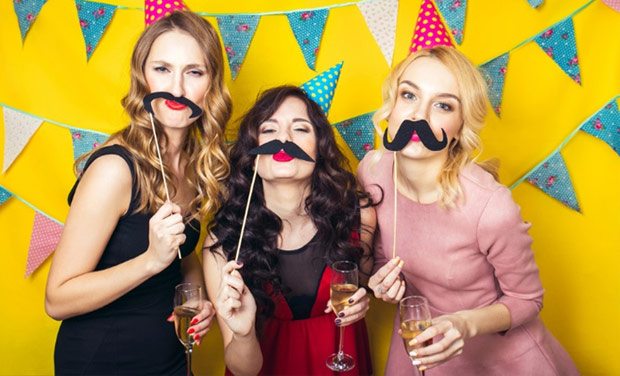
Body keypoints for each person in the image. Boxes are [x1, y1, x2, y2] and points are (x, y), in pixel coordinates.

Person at [359, 46, 579, 375]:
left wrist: (464, 324)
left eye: (443, 105)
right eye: (409, 95)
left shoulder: (490, 205)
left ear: (460, 126)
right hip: (421, 348)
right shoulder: (373, 171)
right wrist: (381, 282)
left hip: (503, 360)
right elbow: (381, 254)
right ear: (391, 104)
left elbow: (527, 300)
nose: (418, 116)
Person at [45, 11, 232, 375]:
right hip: (103, 361)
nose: (176, 89)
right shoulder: (115, 169)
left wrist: (196, 298)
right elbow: (57, 299)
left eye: (194, 72)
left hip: (172, 359)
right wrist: (150, 260)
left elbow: (182, 251)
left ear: (211, 85)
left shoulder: (196, 163)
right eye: (162, 69)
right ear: (142, 77)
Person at [203, 85, 375, 376]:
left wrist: (367, 296)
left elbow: (370, 282)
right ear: (252, 150)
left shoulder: (357, 215)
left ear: (319, 148)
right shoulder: (225, 241)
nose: (284, 139)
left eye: (300, 129)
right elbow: (243, 370)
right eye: (269, 130)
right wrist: (244, 334)